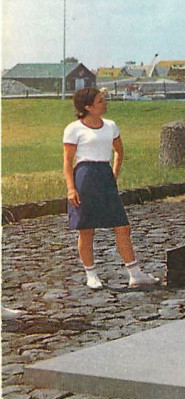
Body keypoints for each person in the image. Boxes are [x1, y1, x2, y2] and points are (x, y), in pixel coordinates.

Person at [63, 87, 158, 290]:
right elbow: (67, 162)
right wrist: (71, 189)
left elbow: (119, 151)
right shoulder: (73, 129)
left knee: (123, 226)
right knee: (86, 230)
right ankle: (91, 274)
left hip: (105, 177)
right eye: (100, 101)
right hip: (84, 177)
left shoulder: (111, 126)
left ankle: (134, 273)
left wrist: (113, 174)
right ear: (87, 107)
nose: (105, 103)